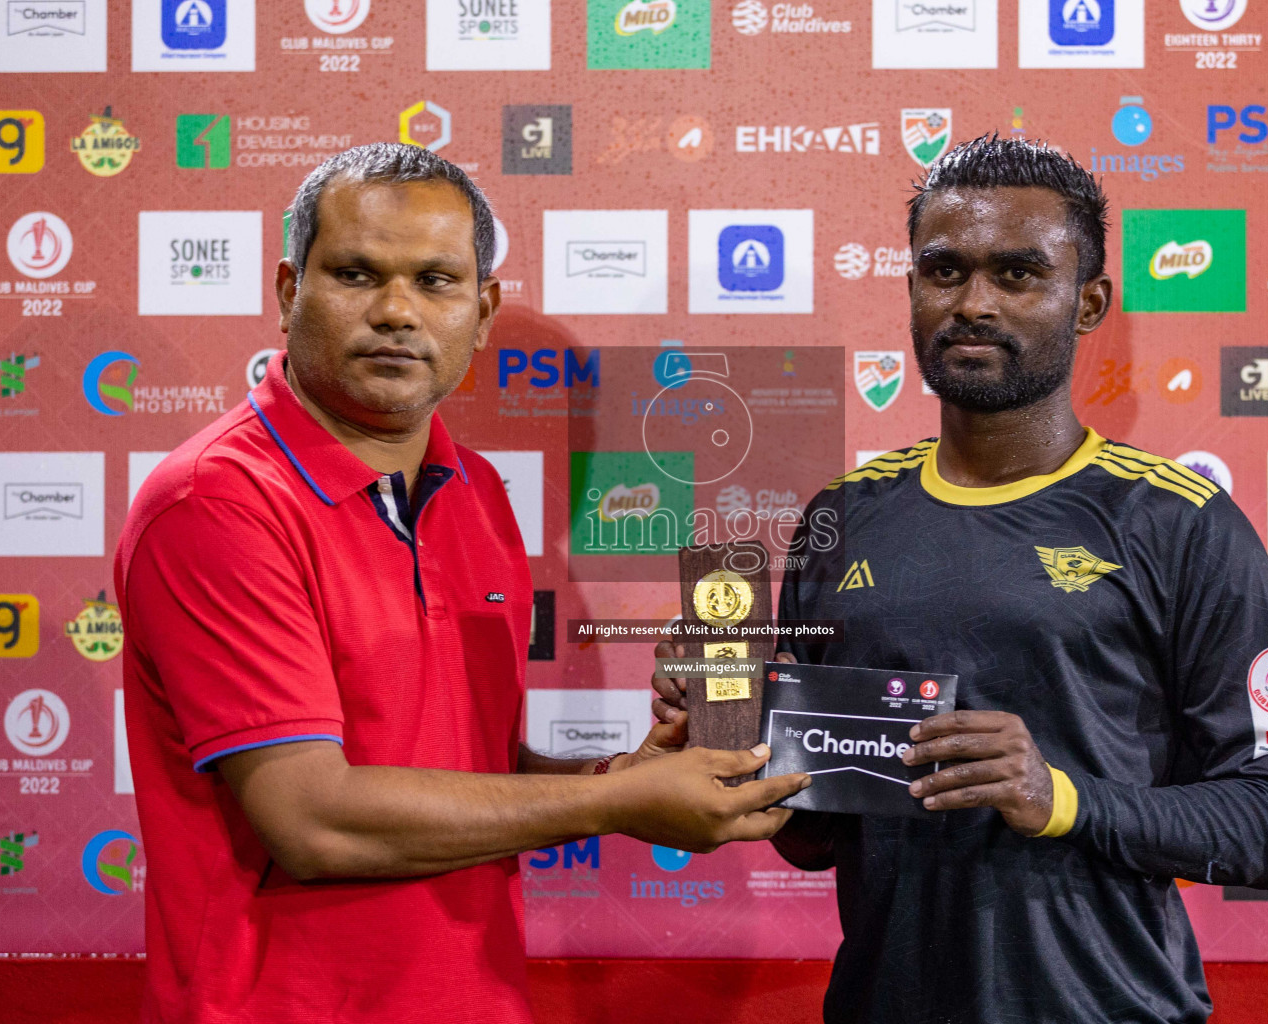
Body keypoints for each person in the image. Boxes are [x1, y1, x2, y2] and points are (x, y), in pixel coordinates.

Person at [115, 142, 809, 1024]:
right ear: (291, 293)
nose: (397, 311)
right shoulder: (215, 502)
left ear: (481, 313)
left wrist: (623, 770)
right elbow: (313, 819)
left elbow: (464, 766)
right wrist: (615, 801)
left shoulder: (475, 491)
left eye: (435, 281)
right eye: (358, 273)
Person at [653, 135, 1268, 1024]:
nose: (972, 303)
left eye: (1016, 275)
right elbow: (817, 838)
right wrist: (732, 737)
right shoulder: (840, 517)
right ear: (912, 290)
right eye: (944, 271)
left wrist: (1061, 799)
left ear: (1088, 304)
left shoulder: (1181, 523)